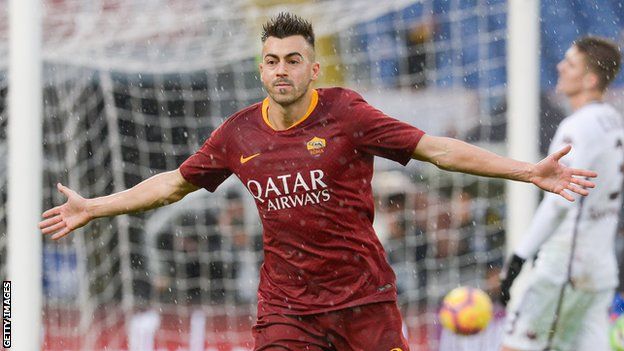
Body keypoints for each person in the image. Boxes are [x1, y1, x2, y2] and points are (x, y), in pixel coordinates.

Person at [40, 13, 597, 351]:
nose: (281, 69)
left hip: (364, 300)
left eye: (293, 59)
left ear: (314, 69)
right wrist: (97, 207)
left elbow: (436, 149)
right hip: (287, 306)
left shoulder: (348, 115)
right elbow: (173, 184)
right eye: (272, 60)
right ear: (260, 69)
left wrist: (527, 170)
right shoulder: (238, 133)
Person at [499, 36, 623, 351]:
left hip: (565, 265)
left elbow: (558, 202)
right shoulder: (615, 122)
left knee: (515, 347)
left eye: (570, 63)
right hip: (600, 267)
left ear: (590, 79)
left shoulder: (577, 127)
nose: (559, 66)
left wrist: (519, 256)